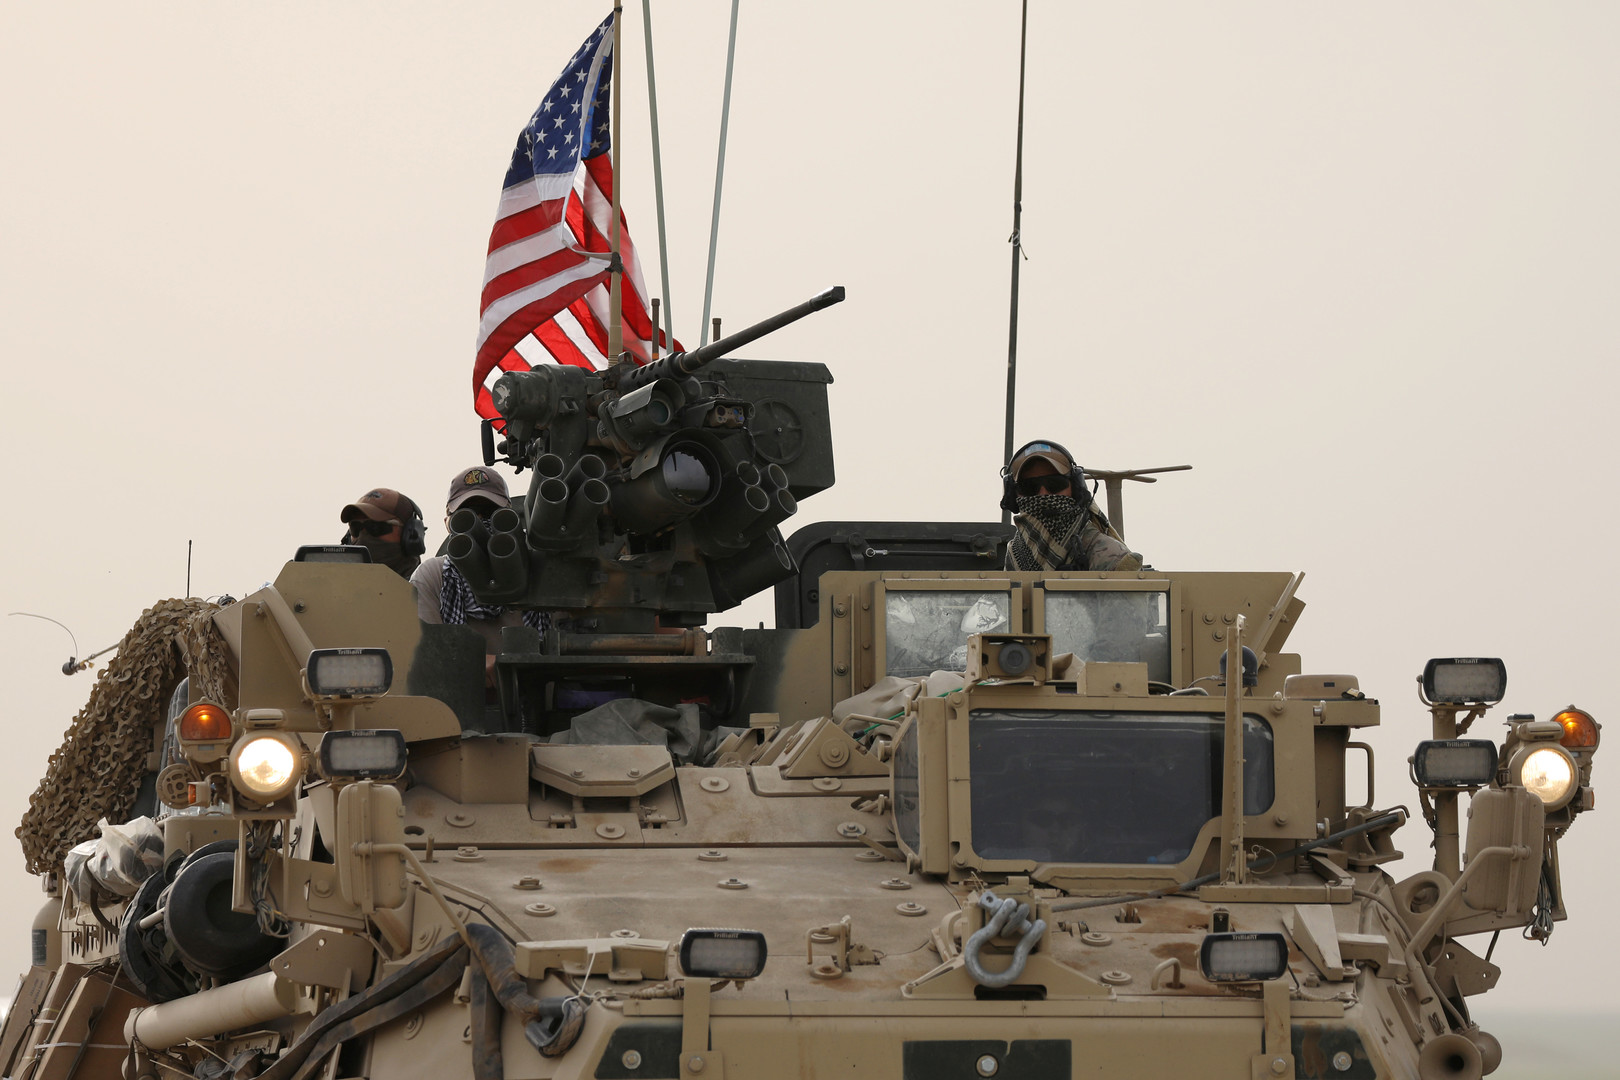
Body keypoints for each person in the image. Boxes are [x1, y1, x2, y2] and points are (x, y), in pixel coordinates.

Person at [411, 468, 549, 681]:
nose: (479, 521)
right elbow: (426, 651)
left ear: (509, 518)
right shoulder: (434, 576)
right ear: (448, 523)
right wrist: (478, 664)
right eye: (465, 516)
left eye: (490, 512)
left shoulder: (539, 572)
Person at [1000, 440, 1143, 572]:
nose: (1043, 495)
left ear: (1075, 489)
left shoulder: (1110, 556)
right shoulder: (1015, 554)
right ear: (1014, 495)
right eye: (1029, 487)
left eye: (1055, 484)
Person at [339, 487, 426, 579]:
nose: (363, 536)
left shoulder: (431, 586)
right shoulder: (335, 584)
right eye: (355, 527)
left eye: (376, 527)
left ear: (410, 534)